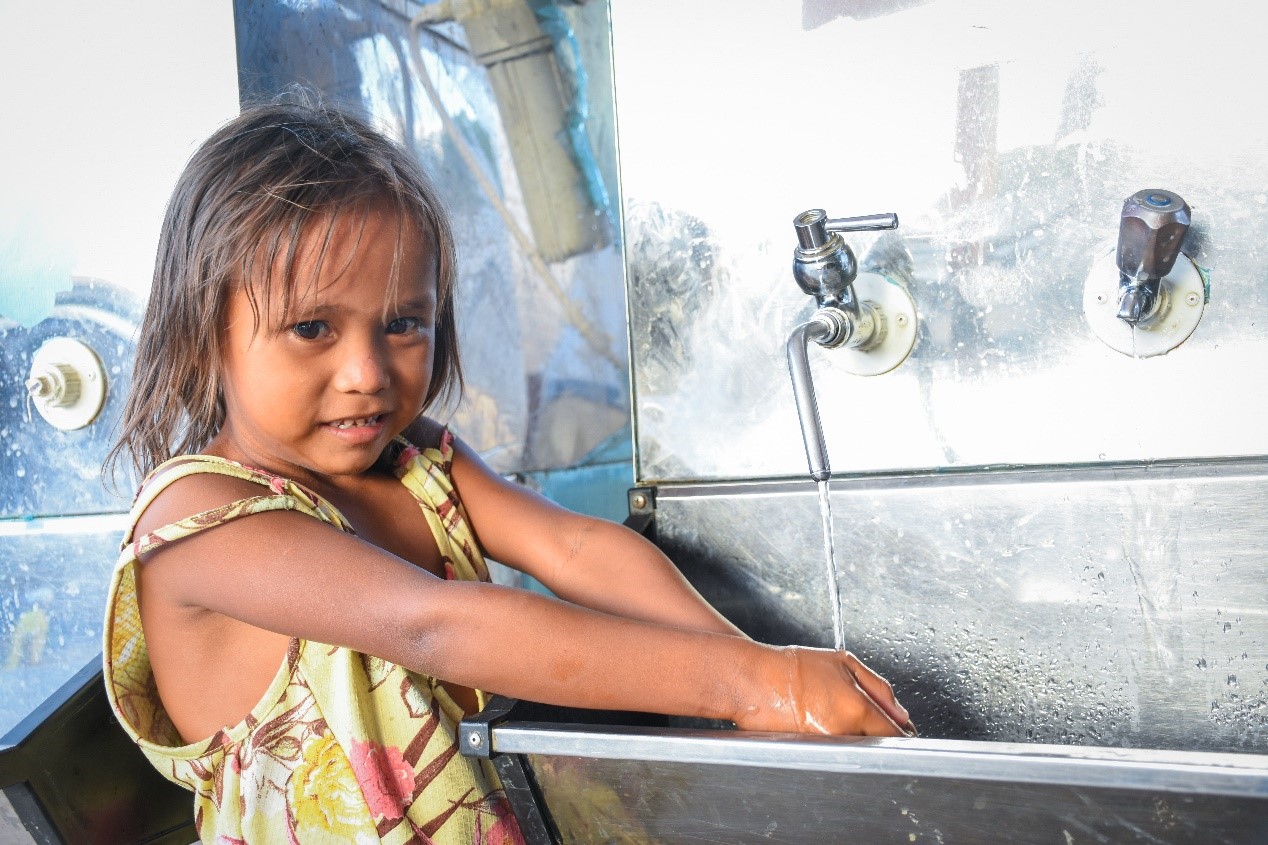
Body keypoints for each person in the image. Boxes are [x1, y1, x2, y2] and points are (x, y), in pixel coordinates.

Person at [103, 101, 914, 844]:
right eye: (312, 327)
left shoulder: (415, 460)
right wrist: (752, 683)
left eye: (403, 323)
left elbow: (573, 548)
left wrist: (759, 677)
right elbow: (435, 624)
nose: (367, 371)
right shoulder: (197, 518)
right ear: (205, 328)